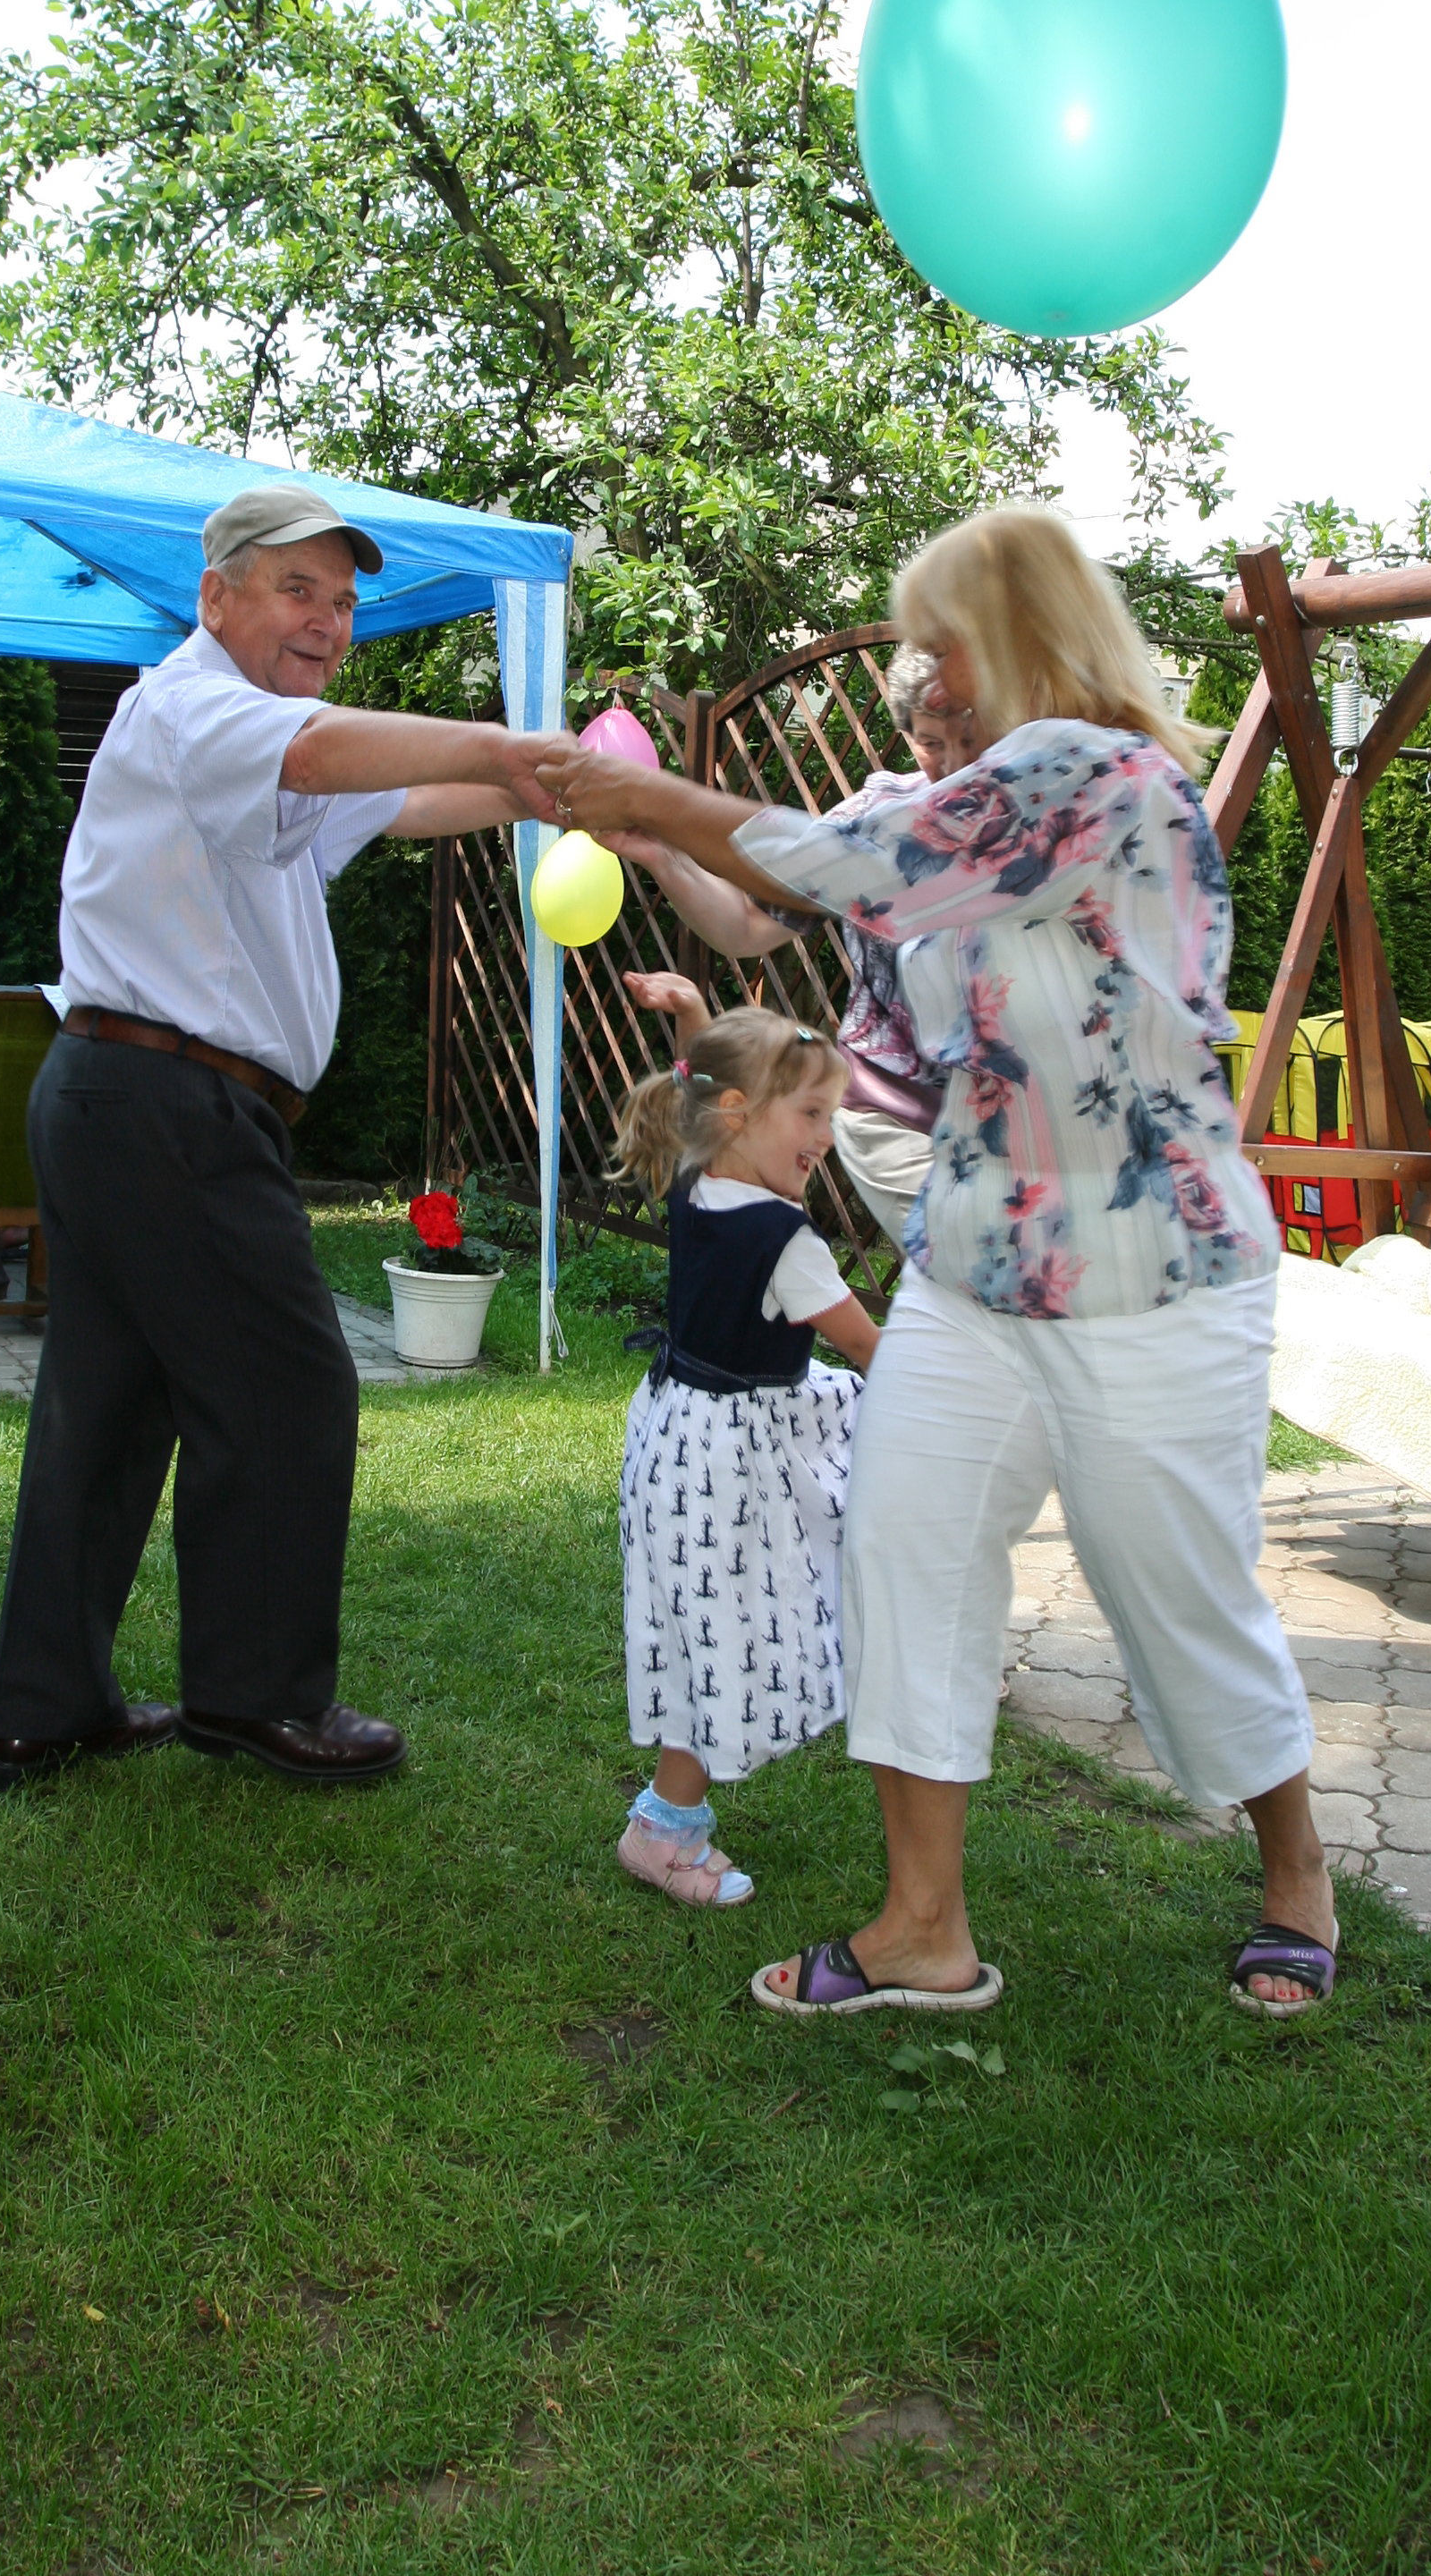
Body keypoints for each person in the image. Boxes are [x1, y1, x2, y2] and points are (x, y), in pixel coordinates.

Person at [544, 504, 1336, 2017]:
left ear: (1021, 636)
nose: (925, 678)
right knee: (901, 1548)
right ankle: (922, 1927)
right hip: (975, 1264)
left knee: (1173, 1592)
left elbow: (870, 866)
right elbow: (815, 892)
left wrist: (632, 791)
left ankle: (1295, 1870)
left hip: (1149, 1275)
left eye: (940, 646)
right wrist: (652, 829)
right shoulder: (971, 793)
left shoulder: (1099, 777)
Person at [0, 485, 564, 1794]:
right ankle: (256, 1701)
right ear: (217, 595)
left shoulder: (240, 737)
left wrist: (532, 786)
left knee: (108, 1410)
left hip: (127, 1099)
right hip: (165, 1105)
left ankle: (47, 1710)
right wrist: (503, 740)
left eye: (344, 602)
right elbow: (321, 751)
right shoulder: (196, 708)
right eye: (299, 590)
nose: (329, 622)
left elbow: (398, 799)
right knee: (290, 1390)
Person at [607, 1002, 879, 1905]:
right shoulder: (783, 1241)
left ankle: (667, 1823)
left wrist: (692, 1015)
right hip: (732, 1465)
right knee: (729, 1632)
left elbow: (700, 1086)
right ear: (736, 1114)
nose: (826, 1136)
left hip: (678, 1437)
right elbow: (872, 1351)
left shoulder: (697, 1177)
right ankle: (661, 1832)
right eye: (810, 1113)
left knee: (701, 1631)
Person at [608, 648, 984, 1247]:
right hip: (896, 1114)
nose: (955, 763)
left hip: (1013, 1123)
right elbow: (746, 926)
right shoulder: (876, 820)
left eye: (969, 737)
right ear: (907, 734)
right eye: (931, 743)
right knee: (975, 1262)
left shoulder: (1043, 814)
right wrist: (661, 853)